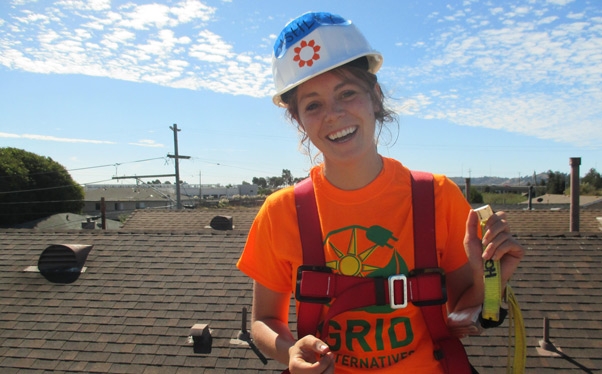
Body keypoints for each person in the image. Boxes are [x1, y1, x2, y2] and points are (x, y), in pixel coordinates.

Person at [237, 11, 524, 374]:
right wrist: (289, 350)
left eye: (347, 93)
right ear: (298, 119)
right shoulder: (281, 213)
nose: (334, 114)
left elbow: (461, 316)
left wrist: (491, 279)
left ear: (374, 96)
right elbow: (263, 319)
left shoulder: (437, 197)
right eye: (313, 105)